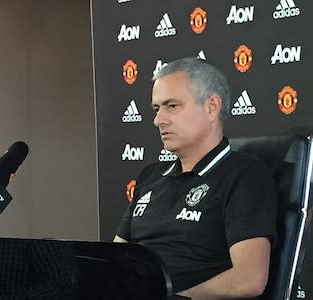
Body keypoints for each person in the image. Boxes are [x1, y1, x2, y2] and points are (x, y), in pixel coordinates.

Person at [114, 58, 277, 299]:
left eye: (172, 106)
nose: (158, 120)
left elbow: (249, 279)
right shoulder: (150, 176)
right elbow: (113, 259)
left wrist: (174, 298)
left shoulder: (244, 176)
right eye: (156, 109)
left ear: (212, 107)